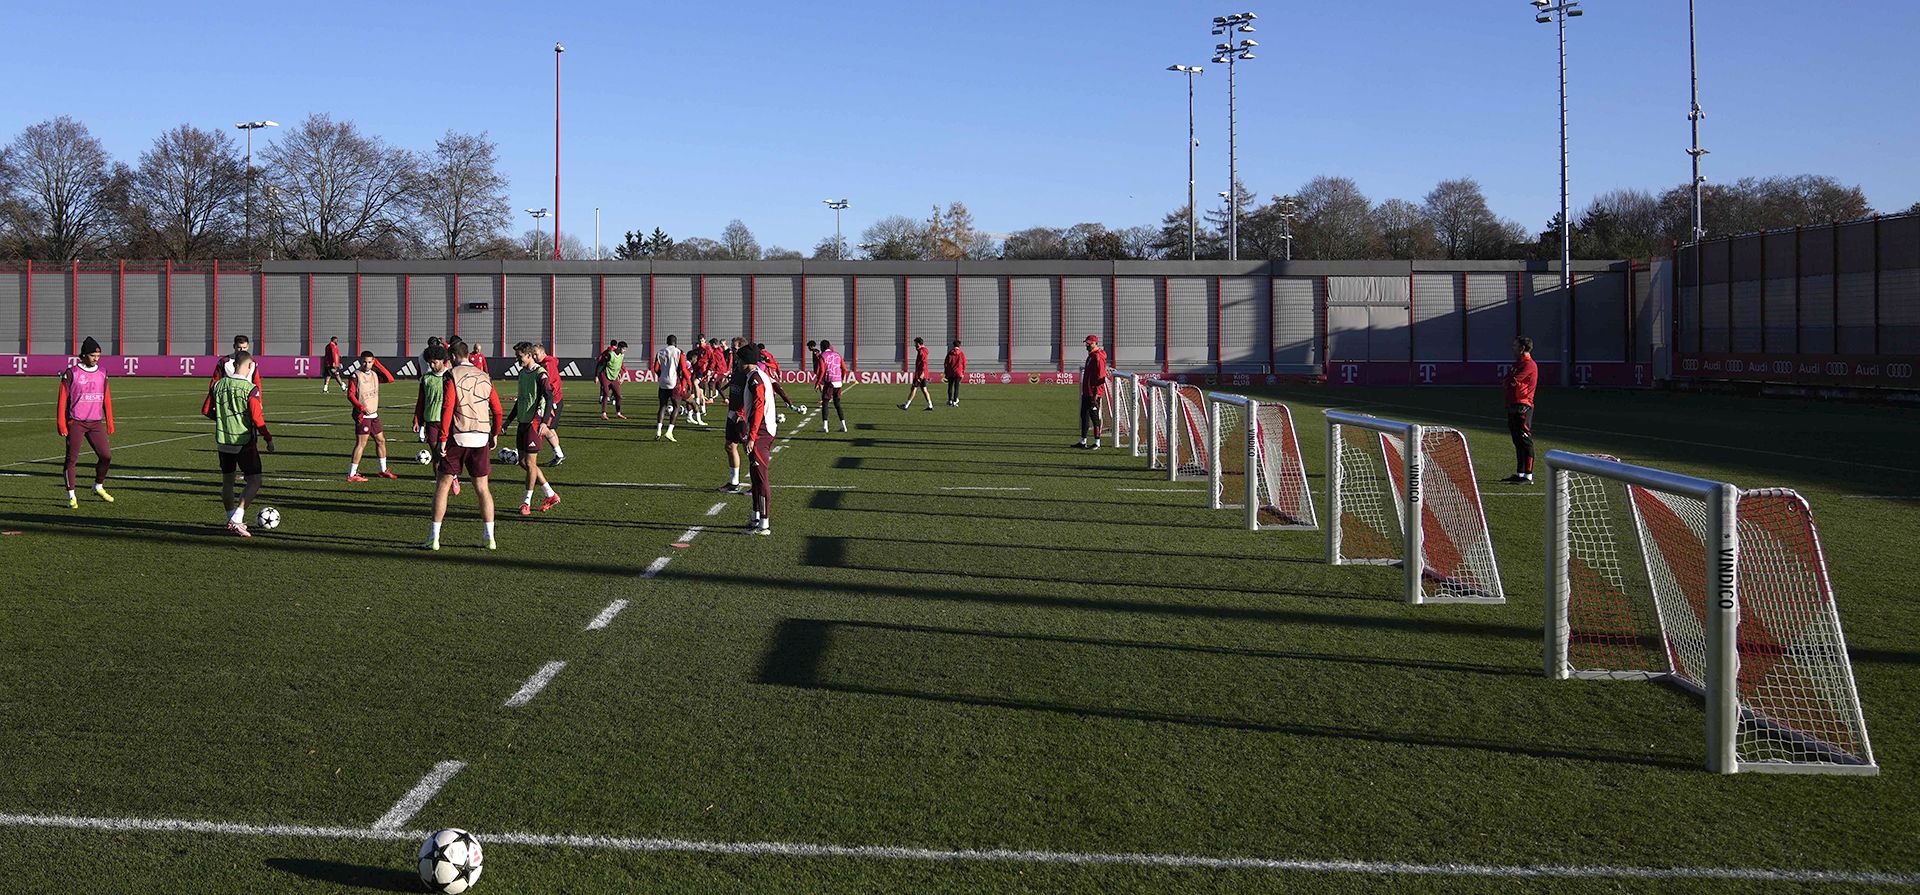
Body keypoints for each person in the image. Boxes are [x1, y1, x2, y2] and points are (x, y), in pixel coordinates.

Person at [427, 338, 503, 551]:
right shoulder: (485, 376)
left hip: (458, 436)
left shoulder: (452, 375)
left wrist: (442, 438)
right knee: (483, 489)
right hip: (481, 437)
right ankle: (490, 537)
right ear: (469, 354)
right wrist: (495, 433)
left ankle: (434, 538)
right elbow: (497, 410)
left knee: (442, 486)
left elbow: (448, 408)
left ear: (451, 357)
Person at [202, 351, 275, 537]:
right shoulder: (250, 389)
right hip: (243, 442)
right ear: (249, 366)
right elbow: (257, 419)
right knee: (255, 480)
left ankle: (230, 518)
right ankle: (236, 518)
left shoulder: (218, 385)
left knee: (228, 482)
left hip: (223, 441)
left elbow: (206, 410)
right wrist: (268, 438)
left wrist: (223, 420)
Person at [56, 336, 115, 508]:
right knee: (71, 459)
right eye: (92, 356)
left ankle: (98, 486)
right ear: (83, 355)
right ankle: (71, 496)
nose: (96, 359)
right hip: (77, 422)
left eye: (98, 356)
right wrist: (61, 422)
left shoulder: (103, 372)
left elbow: (107, 398)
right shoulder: (71, 373)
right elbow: (62, 399)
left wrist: (110, 420)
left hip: (96, 423)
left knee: (106, 456)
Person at [505, 342, 562, 515]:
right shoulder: (522, 373)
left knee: (530, 463)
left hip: (534, 422)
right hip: (522, 421)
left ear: (529, 355)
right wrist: (508, 421)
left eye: (519, 356)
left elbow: (549, 397)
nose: (517, 360)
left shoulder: (540, 374)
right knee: (523, 462)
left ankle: (526, 502)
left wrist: (544, 421)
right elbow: (521, 400)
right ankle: (550, 494)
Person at [730, 345, 777, 535]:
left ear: (745, 361)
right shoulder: (754, 376)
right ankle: (756, 516)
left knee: (760, 477)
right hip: (761, 430)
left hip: (761, 432)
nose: (737, 363)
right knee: (755, 478)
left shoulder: (755, 378)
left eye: (739, 359)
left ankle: (764, 523)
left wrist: (752, 436)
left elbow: (759, 407)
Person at [413, 345, 459, 496]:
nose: (432, 366)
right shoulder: (426, 378)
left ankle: (453, 477)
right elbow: (421, 400)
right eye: (429, 363)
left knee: (446, 454)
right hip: (431, 421)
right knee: (436, 455)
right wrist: (417, 419)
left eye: (434, 362)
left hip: (449, 422)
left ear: (443, 361)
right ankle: (440, 487)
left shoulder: (451, 376)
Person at [345, 350, 398, 482]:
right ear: (360, 361)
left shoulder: (374, 374)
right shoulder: (355, 375)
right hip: (363, 415)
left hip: (374, 414)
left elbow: (390, 379)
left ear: (373, 361)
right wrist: (360, 407)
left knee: (381, 441)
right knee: (361, 444)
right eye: (364, 361)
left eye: (369, 362)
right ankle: (352, 474)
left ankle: (383, 470)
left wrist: (377, 364)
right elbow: (350, 395)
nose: (366, 364)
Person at [1501, 336, 1539, 484]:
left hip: (1523, 405)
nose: (1513, 348)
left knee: (1525, 439)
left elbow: (1512, 381)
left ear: (1522, 348)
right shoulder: (1518, 364)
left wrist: (1509, 381)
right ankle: (1520, 472)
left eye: (1515, 346)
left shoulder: (1529, 365)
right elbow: (1507, 380)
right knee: (1517, 440)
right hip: (1513, 404)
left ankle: (1528, 475)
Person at [531, 344, 568, 466]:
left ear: (542, 353)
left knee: (544, 427)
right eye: (533, 354)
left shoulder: (548, 364)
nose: (534, 357)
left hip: (554, 401)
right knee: (549, 428)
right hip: (555, 400)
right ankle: (559, 454)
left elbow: (549, 384)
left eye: (536, 354)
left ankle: (531, 450)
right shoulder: (547, 362)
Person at [1074, 335, 1108, 450]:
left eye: (1089, 343)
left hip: (1093, 393)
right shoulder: (1091, 356)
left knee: (1094, 417)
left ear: (1095, 343)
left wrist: (1097, 394)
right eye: (1086, 343)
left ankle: (1097, 442)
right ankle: (1083, 441)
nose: (1086, 345)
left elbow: (1101, 376)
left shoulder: (1098, 357)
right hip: (1087, 392)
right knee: (1084, 416)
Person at [652, 334, 688, 441]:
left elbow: (655, 368)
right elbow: (683, 369)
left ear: (667, 342)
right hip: (674, 382)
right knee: (676, 406)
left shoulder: (660, 352)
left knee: (662, 406)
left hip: (663, 382)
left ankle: (658, 431)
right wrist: (688, 382)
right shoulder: (679, 352)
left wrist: (661, 375)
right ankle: (669, 432)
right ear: (675, 342)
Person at [817, 339, 849, 433]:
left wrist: (818, 382)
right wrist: (841, 379)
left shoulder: (822, 356)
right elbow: (844, 369)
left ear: (822, 347)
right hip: (838, 382)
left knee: (825, 403)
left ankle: (825, 426)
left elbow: (822, 370)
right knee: (837, 404)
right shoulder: (837, 354)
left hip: (829, 382)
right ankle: (843, 426)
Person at [597, 339, 628, 420]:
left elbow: (619, 365)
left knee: (618, 395)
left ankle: (618, 413)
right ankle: (603, 413)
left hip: (614, 377)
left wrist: (620, 376)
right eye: (624, 349)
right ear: (619, 347)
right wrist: (596, 376)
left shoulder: (622, 355)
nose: (625, 351)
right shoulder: (610, 354)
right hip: (605, 375)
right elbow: (601, 365)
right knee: (606, 393)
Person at [900, 337, 934, 411]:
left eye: (915, 343)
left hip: (920, 374)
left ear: (918, 343)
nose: (914, 345)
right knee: (924, 389)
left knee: (914, 388)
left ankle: (906, 405)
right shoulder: (922, 350)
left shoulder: (922, 351)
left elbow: (924, 362)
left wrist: (922, 373)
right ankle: (930, 405)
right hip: (923, 373)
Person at [944, 339, 967, 406]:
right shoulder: (961, 353)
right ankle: (955, 400)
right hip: (958, 372)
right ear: (959, 345)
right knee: (956, 387)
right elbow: (964, 363)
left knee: (950, 386)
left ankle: (950, 400)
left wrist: (946, 372)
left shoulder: (950, 353)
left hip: (950, 372)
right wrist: (963, 372)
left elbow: (946, 363)